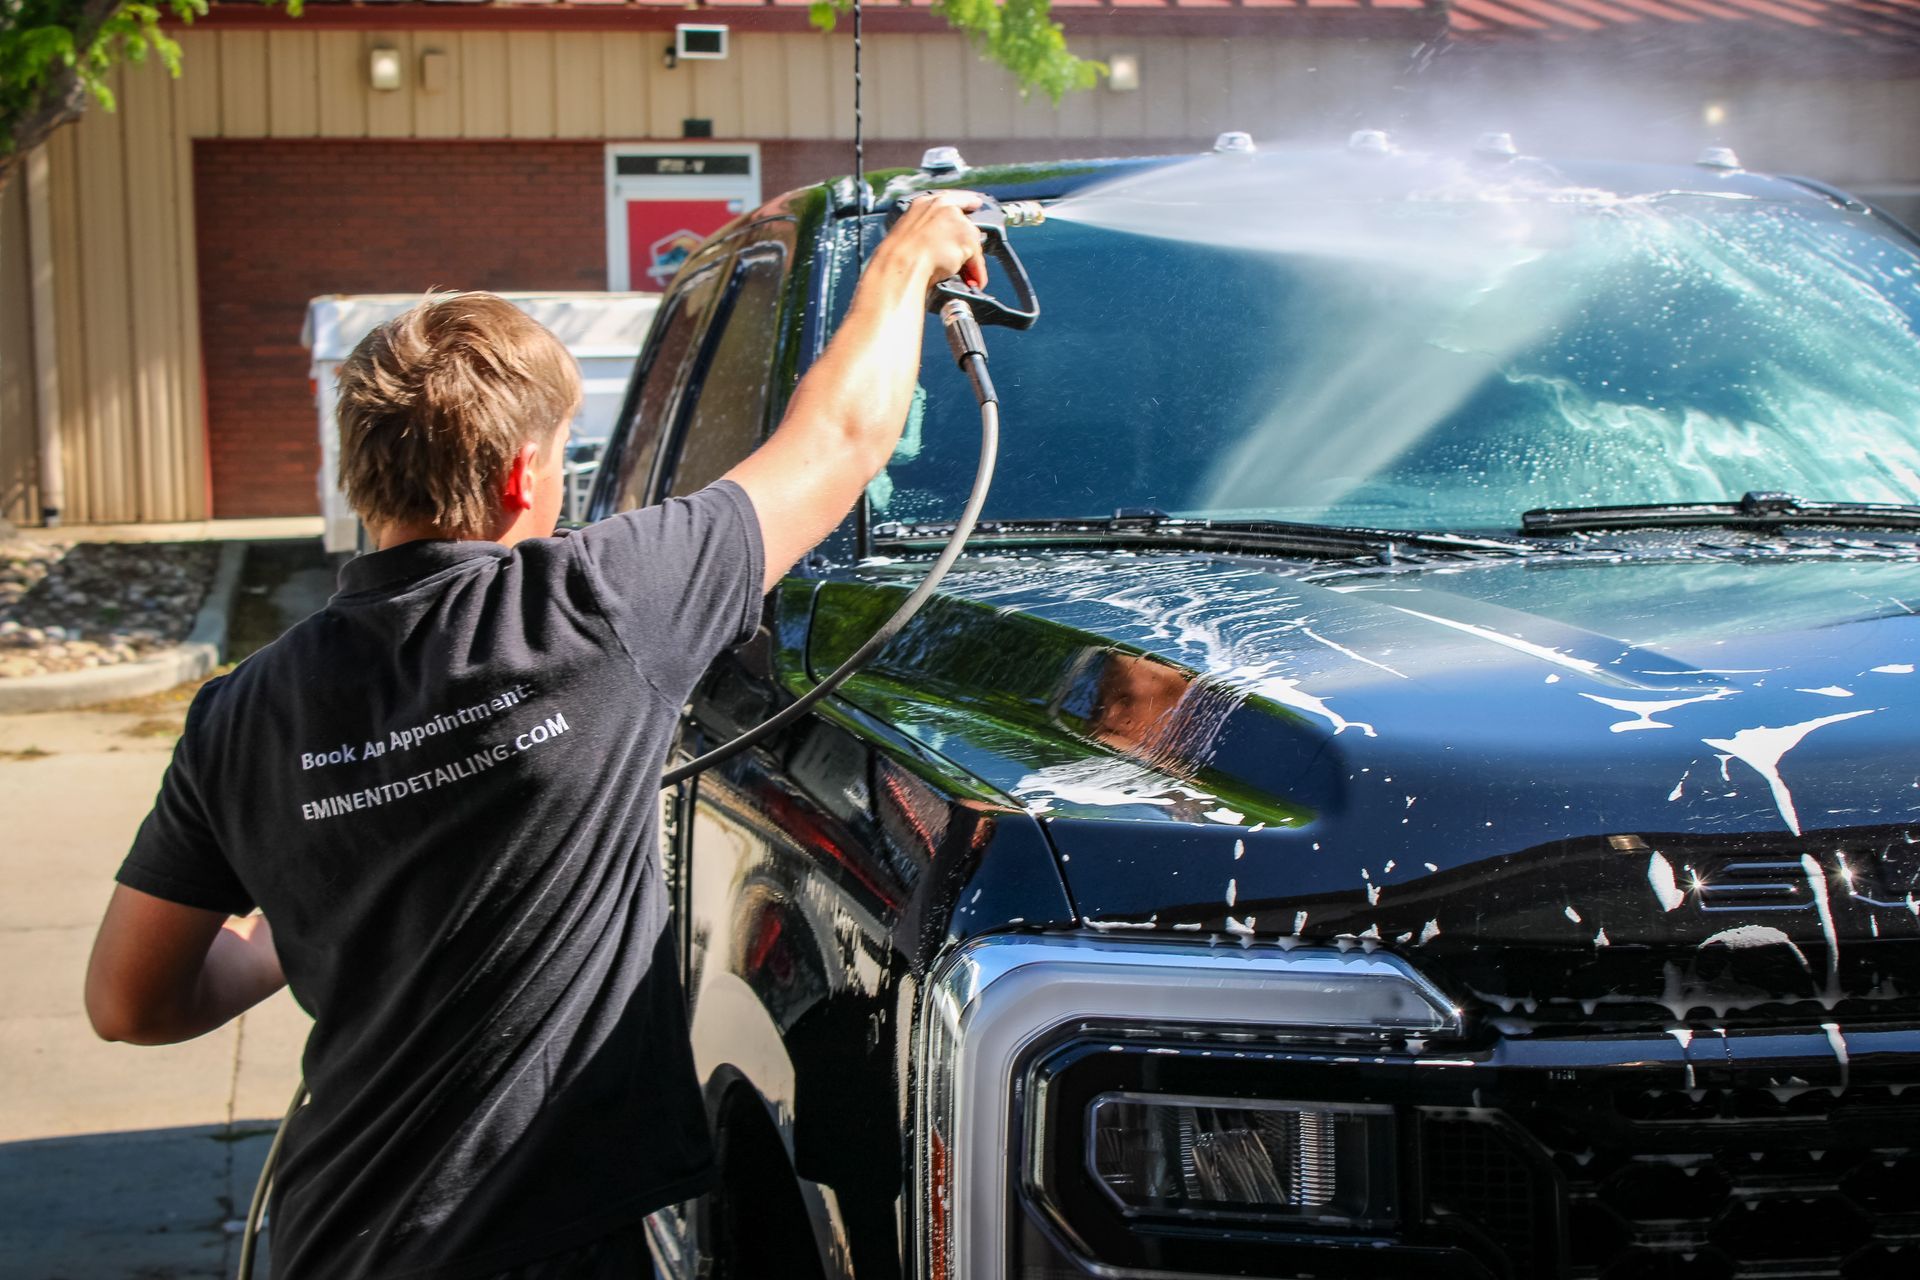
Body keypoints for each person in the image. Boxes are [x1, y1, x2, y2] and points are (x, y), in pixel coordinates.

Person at [83, 192, 989, 1278]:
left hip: (331, 1240)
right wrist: (907, 257)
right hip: (548, 1244)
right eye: (562, 456)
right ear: (523, 474)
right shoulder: (597, 608)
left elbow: (128, 1002)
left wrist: (292, 924)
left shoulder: (241, 711)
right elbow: (841, 435)